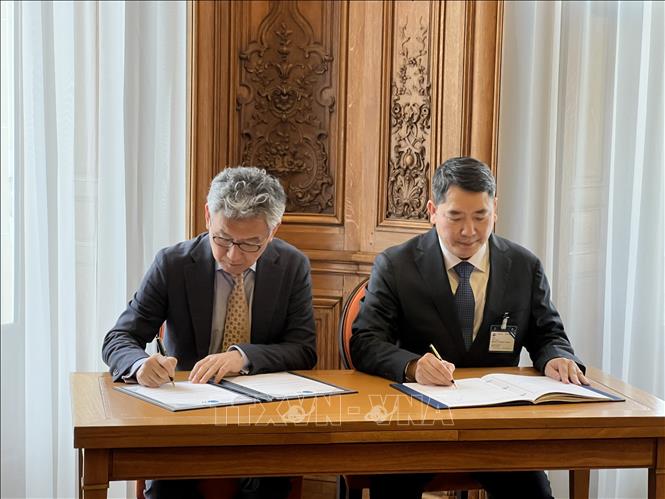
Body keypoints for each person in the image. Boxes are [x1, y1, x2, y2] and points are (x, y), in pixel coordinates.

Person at [350, 156, 587, 499]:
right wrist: (412, 366)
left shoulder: (524, 266)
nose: (469, 231)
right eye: (455, 217)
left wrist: (556, 358)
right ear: (432, 211)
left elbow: (548, 334)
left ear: (495, 210)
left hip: (497, 427)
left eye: (480, 216)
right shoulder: (396, 265)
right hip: (417, 424)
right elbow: (365, 342)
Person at [102, 166, 316, 499]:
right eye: (223, 239)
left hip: (262, 419)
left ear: (273, 230)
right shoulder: (173, 264)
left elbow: (303, 349)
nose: (233, 255)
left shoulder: (292, 265)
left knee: (269, 486)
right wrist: (141, 365)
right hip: (185, 418)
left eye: (250, 244)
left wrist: (241, 357)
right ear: (207, 217)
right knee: (170, 489)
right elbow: (119, 338)